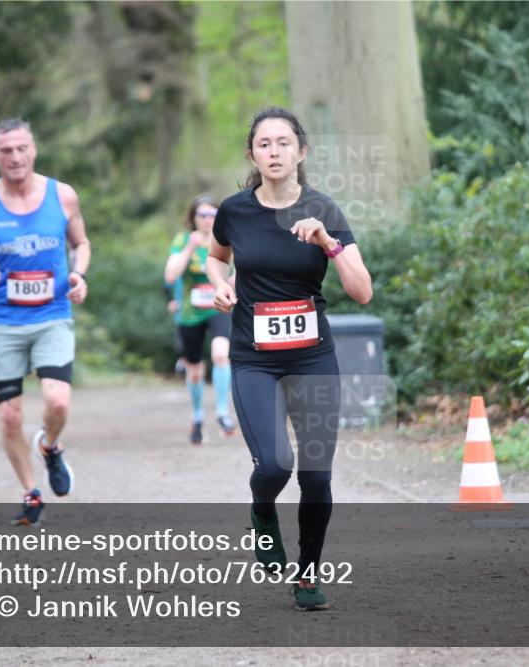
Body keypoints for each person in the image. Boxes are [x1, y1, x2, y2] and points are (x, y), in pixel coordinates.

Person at [206, 107, 372, 610]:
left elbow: (362, 292)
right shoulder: (234, 211)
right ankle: (262, 512)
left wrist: (327, 243)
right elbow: (216, 257)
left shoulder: (326, 209)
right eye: (264, 144)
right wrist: (221, 286)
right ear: (252, 153)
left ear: (302, 151)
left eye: (283, 143)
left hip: (312, 357)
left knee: (316, 474)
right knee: (276, 464)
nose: (274, 152)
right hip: (254, 358)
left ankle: (307, 575)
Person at [0, 118, 90, 526]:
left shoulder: (62, 196)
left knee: (58, 400)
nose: (14, 157)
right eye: (5, 150)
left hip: (52, 317)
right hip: (2, 323)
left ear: (33, 150)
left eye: (21, 148)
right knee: (8, 416)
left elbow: (81, 243)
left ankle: (50, 444)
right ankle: (31, 493)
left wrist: (79, 275)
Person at [164, 195, 236, 444]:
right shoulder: (184, 240)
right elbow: (171, 275)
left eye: (213, 215)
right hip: (190, 313)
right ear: (193, 218)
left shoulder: (226, 238)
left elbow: (240, 269)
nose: (207, 220)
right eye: (202, 215)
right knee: (194, 370)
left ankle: (223, 413)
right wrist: (190, 248)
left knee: (220, 354)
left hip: (220, 308)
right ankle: (197, 418)